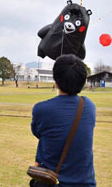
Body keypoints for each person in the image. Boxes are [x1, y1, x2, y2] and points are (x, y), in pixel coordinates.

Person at [31, 54, 96, 187]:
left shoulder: (41, 109)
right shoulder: (89, 106)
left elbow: (38, 132)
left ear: (55, 80)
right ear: (82, 81)